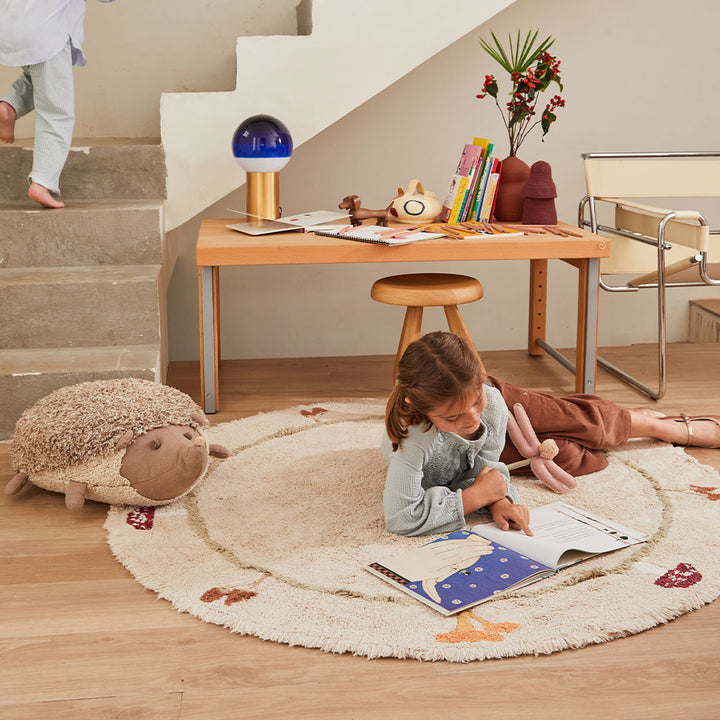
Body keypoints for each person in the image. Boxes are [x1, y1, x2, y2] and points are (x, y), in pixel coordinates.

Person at [382, 331, 720, 537]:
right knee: (573, 457)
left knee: (577, 422)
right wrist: (486, 498)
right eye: (454, 417)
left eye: (476, 404)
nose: (471, 420)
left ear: (482, 378)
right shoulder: (414, 437)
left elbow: (485, 469)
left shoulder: (490, 403)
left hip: (502, 404)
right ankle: (624, 420)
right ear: (418, 406)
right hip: (450, 446)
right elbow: (401, 517)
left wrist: (497, 498)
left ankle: (656, 425)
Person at [0, 0, 115, 208]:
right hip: (46, 30)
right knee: (56, 112)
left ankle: (9, 107)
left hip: (10, 26)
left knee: (42, 80)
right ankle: (42, 182)